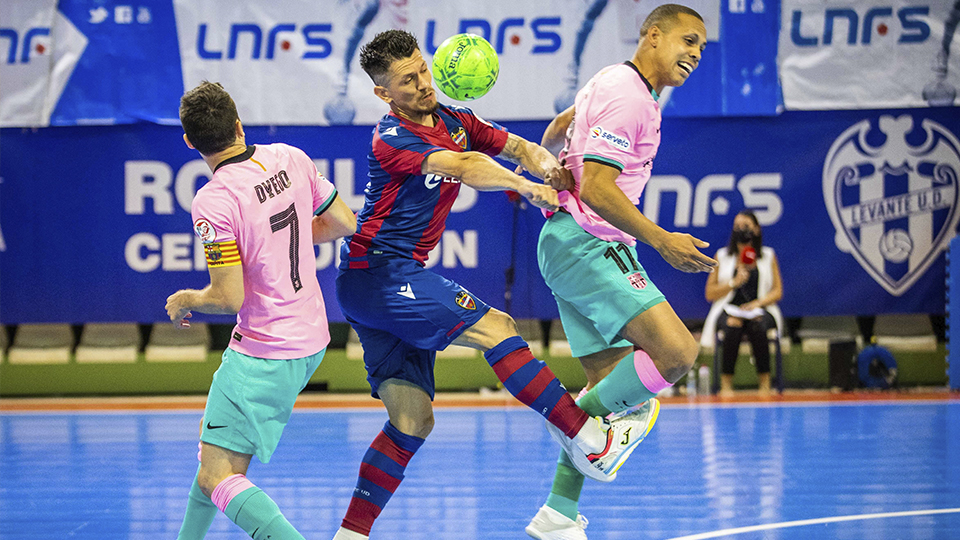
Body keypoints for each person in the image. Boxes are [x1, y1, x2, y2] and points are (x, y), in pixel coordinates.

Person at [331, 29, 654, 540]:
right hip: (378, 275)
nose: (420, 84)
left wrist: (548, 169)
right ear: (383, 94)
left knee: (412, 421)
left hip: (381, 281)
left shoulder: (455, 119)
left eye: (421, 70)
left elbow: (521, 146)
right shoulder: (391, 137)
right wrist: (525, 187)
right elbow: (466, 166)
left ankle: (350, 535)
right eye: (405, 81)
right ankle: (588, 436)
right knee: (498, 326)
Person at [524, 5, 716, 538]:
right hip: (589, 242)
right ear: (652, 36)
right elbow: (599, 189)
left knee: (612, 392)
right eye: (687, 40)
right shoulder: (630, 95)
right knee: (677, 353)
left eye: (701, 47)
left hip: (568, 240)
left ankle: (557, 515)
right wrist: (662, 241)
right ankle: (571, 421)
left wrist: (556, 162)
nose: (695, 54)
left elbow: (558, 129)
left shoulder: (609, 81)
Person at [166, 81, 357, 540]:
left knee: (217, 474)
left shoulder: (214, 199)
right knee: (217, 460)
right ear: (238, 124)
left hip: (264, 350)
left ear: (190, 142)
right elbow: (345, 223)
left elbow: (226, 297)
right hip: (310, 336)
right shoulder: (289, 157)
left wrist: (186, 300)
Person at [702, 210, 784, 397]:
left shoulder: (768, 255)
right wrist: (733, 283)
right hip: (729, 309)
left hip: (760, 308)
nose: (741, 230)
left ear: (756, 229)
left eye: (746, 226)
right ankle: (726, 384)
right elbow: (710, 293)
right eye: (737, 227)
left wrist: (758, 303)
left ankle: (765, 383)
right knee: (732, 326)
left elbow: (777, 291)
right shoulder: (722, 256)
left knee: (757, 325)